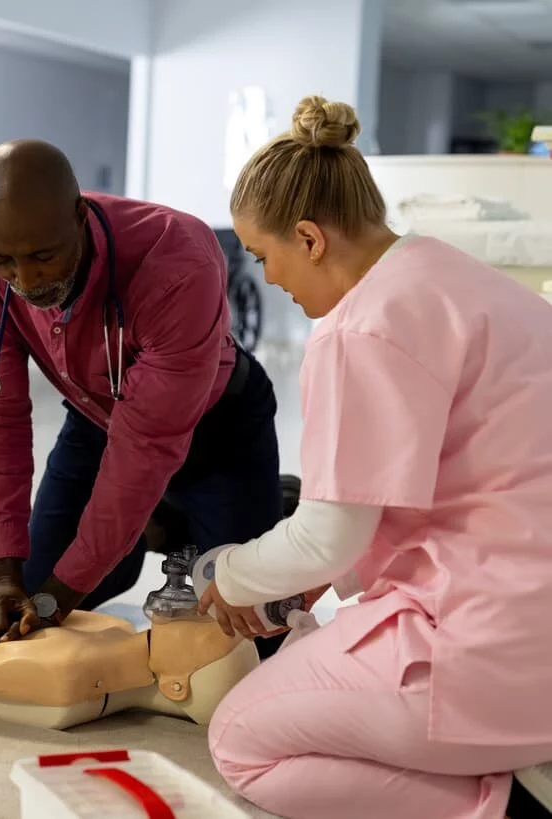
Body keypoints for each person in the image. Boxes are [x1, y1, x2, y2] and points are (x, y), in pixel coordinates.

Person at [200, 96, 552, 819]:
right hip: (526, 609)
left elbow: (328, 533)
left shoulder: (361, 326)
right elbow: (431, 486)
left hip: (494, 642)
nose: (267, 279)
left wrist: (230, 574)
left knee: (240, 736)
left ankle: (506, 806)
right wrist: (312, 580)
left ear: (308, 237)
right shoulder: (457, 278)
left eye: (265, 256)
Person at [0, 139, 295, 658]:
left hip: (219, 427)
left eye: (43, 256)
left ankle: (274, 508)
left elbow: (145, 448)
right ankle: (153, 524)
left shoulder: (176, 258)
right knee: (33, 585)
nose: (26, 280)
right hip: (96, 415)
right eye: (5, 262)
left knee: (251, 641)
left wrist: (54, 603)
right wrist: (4, 577)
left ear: (81, 216)